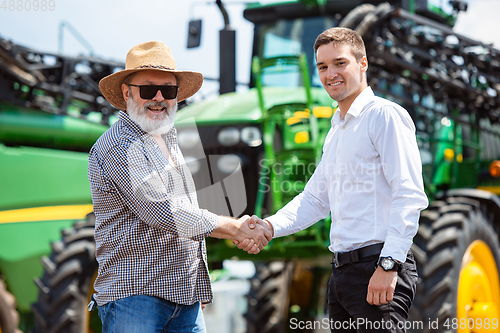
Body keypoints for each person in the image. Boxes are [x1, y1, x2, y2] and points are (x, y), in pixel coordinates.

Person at [238, 27, 428, 332]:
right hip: (342, 274)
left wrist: (389, 264)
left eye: (340, 63)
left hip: (377, 267)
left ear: (363, 63)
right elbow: (315, 199)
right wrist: (270, 226)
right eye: (323, 67)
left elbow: (409, 194)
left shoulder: (384, 116)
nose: (330, 74)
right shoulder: (336, 131)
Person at [88, 41, 270, 333]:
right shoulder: (119, 146)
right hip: (136, 298)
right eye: (148, 89)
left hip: (184, 299)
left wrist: (198, 281)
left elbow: (188, 210)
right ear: (126, 92)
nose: (159, 98)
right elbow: (163, 212)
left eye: (168, 91)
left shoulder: (170, 137)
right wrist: (234, 228)